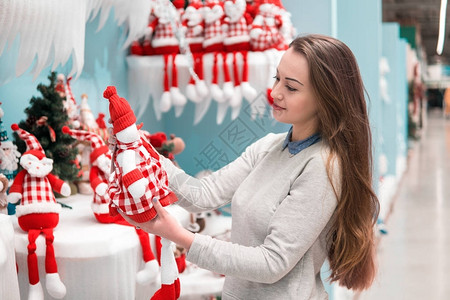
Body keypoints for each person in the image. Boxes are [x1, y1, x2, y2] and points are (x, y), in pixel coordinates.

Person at [118, 34, 380, 299]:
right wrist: (142, 150)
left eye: (291, 87)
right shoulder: (268, 146)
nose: (275, 92)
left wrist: (179, 236)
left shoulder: (323, 166)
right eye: (277, 78)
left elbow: (272, 263)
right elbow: (204, 194)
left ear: (325, 98)